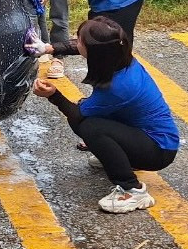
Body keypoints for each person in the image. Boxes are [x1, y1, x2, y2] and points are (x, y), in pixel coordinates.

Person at [32, 17, 178, 213]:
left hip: (158, 150)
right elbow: (84, 47)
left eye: (80, 40)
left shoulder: (119, 87)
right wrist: (47, 48)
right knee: (89, 116)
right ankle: (118, 156)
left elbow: (77, 116)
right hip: (145, 135)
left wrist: (54, 95)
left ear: (94, 53)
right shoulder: (118, 55)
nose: (77, 42)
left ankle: (132, 190)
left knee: (88, 126)